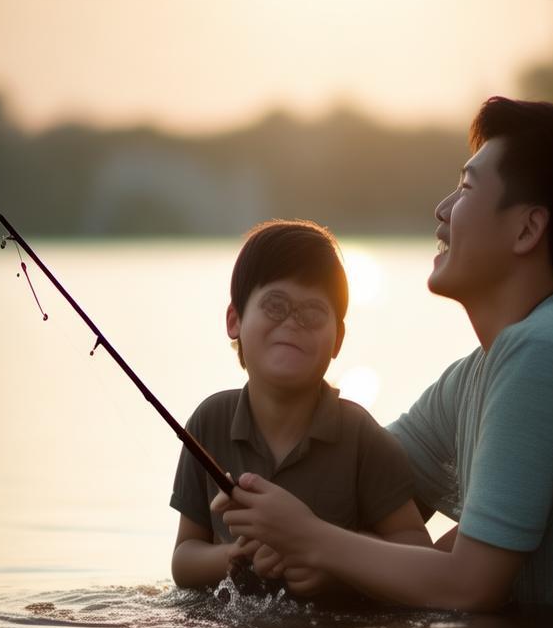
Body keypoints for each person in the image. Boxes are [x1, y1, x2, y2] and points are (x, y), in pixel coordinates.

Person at [212, 97, 553, 611]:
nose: (441, 210)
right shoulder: (477, 375)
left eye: (464, 189)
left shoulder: (552, 352)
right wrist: (260, 523)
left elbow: (467, 587)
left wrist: (308, 538)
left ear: (527, 229)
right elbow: (354, 491)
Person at [171, 219, 429, 594]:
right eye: (275, 306)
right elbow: (184, 557)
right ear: (234, 320)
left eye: (311, 314)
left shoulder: (360, 437)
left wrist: (332, 564)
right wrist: (233, 556)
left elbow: (417, 549)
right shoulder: (209, 422)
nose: (292, 323)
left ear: (338, 339)